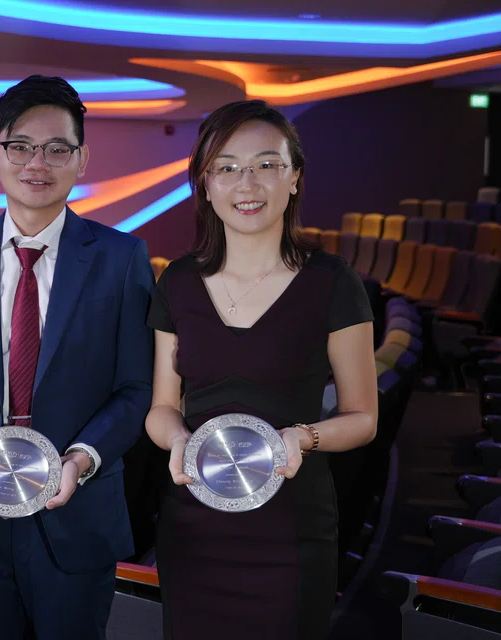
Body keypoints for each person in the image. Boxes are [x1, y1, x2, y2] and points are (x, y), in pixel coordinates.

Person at [0, 75, 153, 640]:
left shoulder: (122, 258)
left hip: (77, 509)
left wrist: (80, 458)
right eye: (20, 146)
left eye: (57, 148)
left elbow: (136, 387)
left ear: (82, 159)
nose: (37, 163)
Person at [145, 100, 378, 639]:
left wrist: (304, 436)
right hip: (194, 527)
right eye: (226, 167)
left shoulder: (332, 281)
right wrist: (178, 438)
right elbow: (161, 407)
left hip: (290, 530)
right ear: (203, 184)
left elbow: (363, 416)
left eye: (266, 164)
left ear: (294, 177)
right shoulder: (176, 282)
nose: (246, 183)